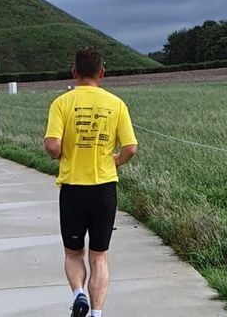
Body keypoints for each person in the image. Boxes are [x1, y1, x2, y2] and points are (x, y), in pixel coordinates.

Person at [44, 47, 138, 317]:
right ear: (102, 73)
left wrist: (62, 155)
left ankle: (79, 294)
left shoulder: (62, 103)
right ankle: (96, 313)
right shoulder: (116, 104)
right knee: (99, 256)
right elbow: (130, 147)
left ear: (74, 72)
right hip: (104, 189)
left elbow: (52, 145)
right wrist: (114, 161)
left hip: (73, 189)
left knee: (74, 253)